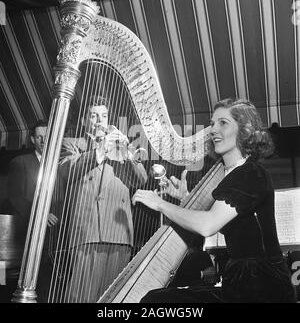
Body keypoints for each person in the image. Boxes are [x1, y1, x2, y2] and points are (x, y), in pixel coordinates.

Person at [132, 98, 297, 303]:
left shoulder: (250, 173)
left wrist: (160, 203)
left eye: (223, 123)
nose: (213, 130)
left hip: (262, 286)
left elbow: (207, 225)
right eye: (212, 123)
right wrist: (184, 198)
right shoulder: (229, 174)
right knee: (156, 299)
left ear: (244, 131)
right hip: (241, 280)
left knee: (158, 302)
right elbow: (233, 218)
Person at [58, 96, 148, 303]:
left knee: (115, 298)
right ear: (83, 121)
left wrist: (127, 152)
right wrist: (100, 150)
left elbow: (140, 180)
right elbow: (66, 170)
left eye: (104, 116)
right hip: (89, 230)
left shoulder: (121, 144)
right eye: (93, 116)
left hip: (120, 231)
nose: (100, 120)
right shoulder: (72, 144)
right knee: (82, 296)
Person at [7, 120, 58, 302]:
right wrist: (40, 214)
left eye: (47, 137)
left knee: (48, 288)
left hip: (55, 241)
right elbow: (15, 197)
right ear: (32, 140)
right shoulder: (20, 162)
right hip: (28, 238)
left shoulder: (61, 164)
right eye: (39, 137)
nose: (44, 141)